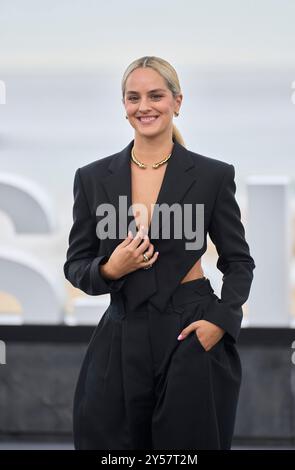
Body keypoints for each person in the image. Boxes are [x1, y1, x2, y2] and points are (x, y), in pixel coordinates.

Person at [63, 56, 256, 450]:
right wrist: (111, 268)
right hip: (120, 331)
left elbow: (238, 262)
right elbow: (76, 265)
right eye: (133, 97)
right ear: (124, 106)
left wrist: (220, 322)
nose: (144, 106)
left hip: (190, 329)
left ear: (177, 101)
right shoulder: (93, 177)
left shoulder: (213, 176)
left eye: (156, 95)